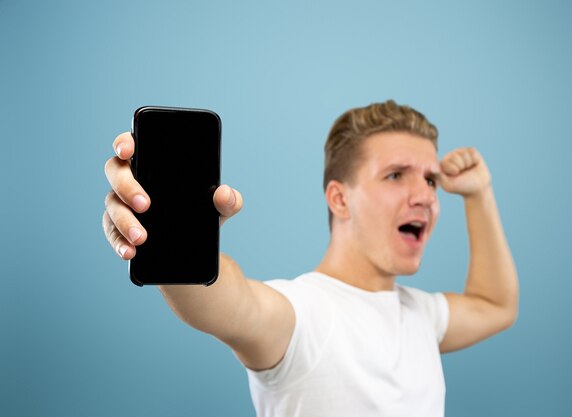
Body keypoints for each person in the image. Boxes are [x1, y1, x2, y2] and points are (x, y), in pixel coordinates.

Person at [103, 100, 518, 417]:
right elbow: (226, 302)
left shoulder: (424, 316)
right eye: (396, 175)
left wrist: (479, 194)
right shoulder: (301, 316)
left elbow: (496, 304)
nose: (426, 195)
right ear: (339, 198)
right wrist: (168, 236)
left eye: (430, 180)